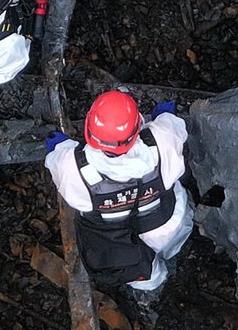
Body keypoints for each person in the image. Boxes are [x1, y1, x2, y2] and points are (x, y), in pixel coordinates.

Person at [44, 91, 192, 308]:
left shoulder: (73, 168)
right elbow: (173, 125)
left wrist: (59, 146)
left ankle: (149, 290)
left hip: (117, 242)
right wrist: (164, 114)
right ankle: (173, 254)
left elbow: (56, 157)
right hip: (166, 222)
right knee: (172, 237)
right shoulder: (163, 140)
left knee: (142, 272)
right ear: (138, 125)